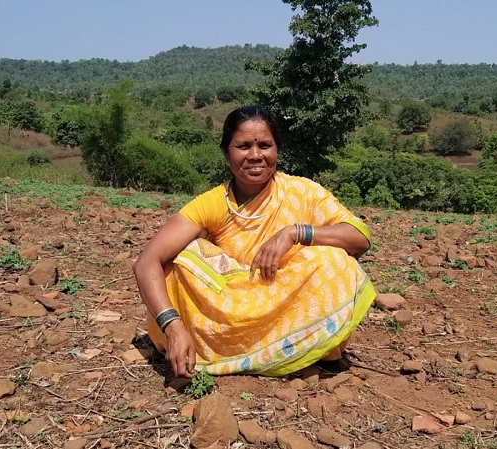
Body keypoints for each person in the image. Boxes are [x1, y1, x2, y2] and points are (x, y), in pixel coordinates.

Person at [133, 105, 376, 378]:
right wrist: (173, 326)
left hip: (286, 307)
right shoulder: (213, 203)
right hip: (229, 317)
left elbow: (359, 238)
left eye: (264, 145)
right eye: (243, 146)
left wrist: (295, 233)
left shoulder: (302, 192)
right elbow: (147, 262)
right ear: (227, 152)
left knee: (332, 259)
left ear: (277, 150)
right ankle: (231, 352)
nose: (255, 155)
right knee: (182, 258)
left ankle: (303, 347)